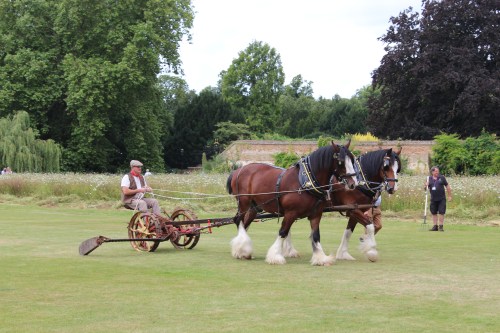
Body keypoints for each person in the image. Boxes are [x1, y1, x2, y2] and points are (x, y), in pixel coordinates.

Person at [424, 166, 452, 231]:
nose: (437, 172)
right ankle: (435, 226)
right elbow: (425, 189)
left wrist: (449, 196)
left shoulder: (442, 178)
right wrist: (426, 185)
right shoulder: (428, 178)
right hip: (433, 199)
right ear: (432, 172)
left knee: (441, 212)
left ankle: (441, 226)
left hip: (441, 198)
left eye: (438, 171)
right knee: (434, 212)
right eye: (436, 171)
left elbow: (447, 186)